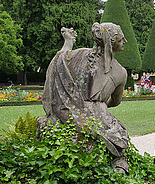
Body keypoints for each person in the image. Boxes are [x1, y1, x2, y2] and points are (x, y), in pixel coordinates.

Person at [38, 23, 129, 173]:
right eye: (121, 40)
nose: (125, 42)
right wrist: (100, 103)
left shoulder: (79, 55)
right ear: (111, 44)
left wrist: (68, 43)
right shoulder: (120, 72)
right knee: (118, 136)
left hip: (68, 108)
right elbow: (116, 101)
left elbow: (59, 61)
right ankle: (118, 166)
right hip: (100, 115)